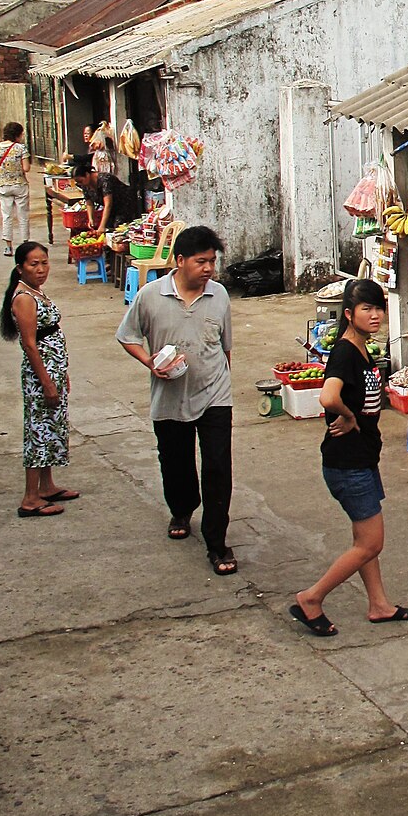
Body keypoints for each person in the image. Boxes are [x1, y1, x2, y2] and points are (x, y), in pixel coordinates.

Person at [289, 279, 408, 637]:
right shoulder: (346, 352)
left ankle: (379, 605)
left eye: (379, 308)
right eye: (367, 309)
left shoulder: (361, 349)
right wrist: (347, 417)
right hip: (347, 464)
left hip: (361, 459)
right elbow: (328, 397)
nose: (375, 315)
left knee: (364, 540)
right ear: (349, 314)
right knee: (370, 543)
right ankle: (312, 598)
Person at [115, 224, 237, 575]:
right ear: (180, 260)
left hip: (215, 394)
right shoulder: (150, 296)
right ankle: (181, 509)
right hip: (169, 396)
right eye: (201, 262)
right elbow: (128, 336)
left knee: (217, 468)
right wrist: (149, 362)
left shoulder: (220, 296)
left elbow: (225, 348)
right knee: (175, 460)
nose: (208, 269)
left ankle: (217, 542)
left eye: (212, 261)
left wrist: (222, 380)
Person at [0, 240, 76, 518]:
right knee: (38, 431)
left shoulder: (36, 292)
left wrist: (61, 373)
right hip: (39, 375)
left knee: (51, 426)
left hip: (53, 369)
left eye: (44, 263)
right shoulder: (23, 298)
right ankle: (30, 498)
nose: (41, 269)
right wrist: (46, 381)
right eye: (34, 264)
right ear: (20, 268)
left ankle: (47, 485)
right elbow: (30, 344)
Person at [0, 122, 31, 256]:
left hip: (3, 186)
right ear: (18, 134)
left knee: (6, 216)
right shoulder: (21, 148)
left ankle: (8, 247)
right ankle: (25, 244)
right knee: (23, 215)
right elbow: (26, 168)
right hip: (20, 185)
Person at [72, 154, 140, 234]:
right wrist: (91, 219)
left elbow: (108, 204)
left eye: (81, 181)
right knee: (107, 229)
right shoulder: (85, 185)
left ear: (87, 175)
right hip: (112, 209)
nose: (80, 184)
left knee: (118, 229)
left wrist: (102, 226)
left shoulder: (105, 180)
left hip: (125, 204)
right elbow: (89, 204)